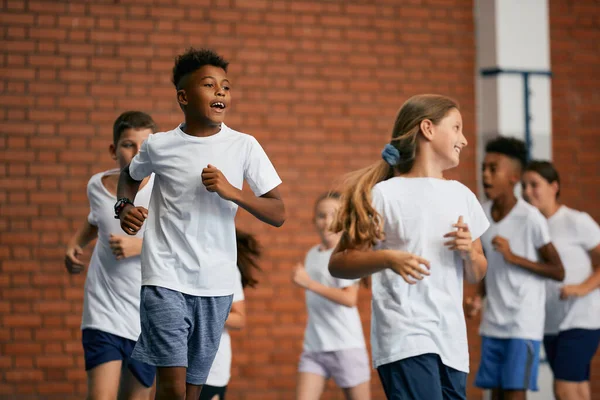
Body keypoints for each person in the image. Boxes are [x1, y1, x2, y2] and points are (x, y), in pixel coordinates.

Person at [115, 48, 285, 400]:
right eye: (209, 85)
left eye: (225, 86)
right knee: (173, 390)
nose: (221, 92)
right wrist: (123, 205)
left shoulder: (244, 146)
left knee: (193, 393)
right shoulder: (159, 145)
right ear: (184, 96)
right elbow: (130, 177)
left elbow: (278, 212)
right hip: (165, 278)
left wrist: (233, 192)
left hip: (216, 284)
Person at [328, 94, 489, 400]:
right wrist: (387, 258)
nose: (464, 140)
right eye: (456, 128)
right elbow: (339, 263)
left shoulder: (462, 195)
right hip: (405, 337)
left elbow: (477, 273)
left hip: (451, 342)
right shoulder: (385, 195)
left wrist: (470, 252)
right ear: (428, 128)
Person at [64, 111, 157, 400]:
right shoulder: (97, 185)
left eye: (146, 146)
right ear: (113, 150)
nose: (138, 153)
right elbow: (97, 220)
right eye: (129, 145)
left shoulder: (165, 189)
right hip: (103, 311)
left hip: (148, 318)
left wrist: (139, 247)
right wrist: (75, 244)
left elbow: (187, 244)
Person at [467, 138, 565, 400]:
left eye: (493, 169)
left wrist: (514, 257)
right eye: (483, 168)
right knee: (495, 395)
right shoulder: (482, 215)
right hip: (492, 325)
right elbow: (488, 266)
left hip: (522, 325)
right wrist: (478, 297)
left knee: (514, 394)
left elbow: (558, 270)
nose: (485, 175)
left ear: (513, 177)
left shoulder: (530, 217)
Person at [521, 160, 600, 400]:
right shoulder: (529, 226)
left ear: (554, 186)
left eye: (534, 185)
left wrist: (581, 288)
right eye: (523, 186)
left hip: (580, 319)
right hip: (550, 323)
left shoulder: (576, 221)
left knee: (564, 389)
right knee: (576, 388)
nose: (527, 192)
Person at [292, 192, 371, 400]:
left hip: (346, 346)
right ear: (314, 220)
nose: (326, 221)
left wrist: (309, 283)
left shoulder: (345, 254)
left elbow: (349, 299)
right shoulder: (311, 254)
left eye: (333, 215)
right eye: (321, 216)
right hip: (315, 347)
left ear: (343, 219)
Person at [200, 230, 262, 400]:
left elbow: (239, 319)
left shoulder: (227, 269)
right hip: (176, 363)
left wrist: (204, 311)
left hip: (211, 368)